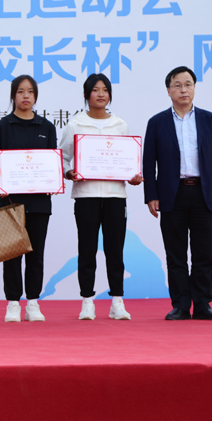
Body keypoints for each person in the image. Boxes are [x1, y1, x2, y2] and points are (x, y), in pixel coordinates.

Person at [143, 66, 212, 321]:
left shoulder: (210, 120)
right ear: (168, 90)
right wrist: (151, 195)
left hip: (205, 193)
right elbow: (149, 163)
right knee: (176, 254)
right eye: (178, 85)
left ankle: (202, 304)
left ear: (194, 88)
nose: (183, 90)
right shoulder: (157, 122)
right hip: (172, 195)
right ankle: (180, 304)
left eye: (188, 84)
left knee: (204, 253)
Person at [59, 73, 143, 321]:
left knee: (115, 249)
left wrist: (133, 175)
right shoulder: (75, 125)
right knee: (86, 250)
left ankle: (117, 301)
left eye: (105, 90)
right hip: (86, 195)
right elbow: (62, 157)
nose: (101, 94)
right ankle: (87, 301)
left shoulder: (120, 125)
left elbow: (129, 160)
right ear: (87, 95)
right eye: (95, 90)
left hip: (116, 196)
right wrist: (69, 172)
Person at [0, 75, 57, 323]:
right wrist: (0, 183)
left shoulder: (46, 127)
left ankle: (33, 302)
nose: (26, 96)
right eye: (20, 91)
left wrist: (52, 180)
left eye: (30, 91)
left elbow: (52, 163)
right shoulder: (2, 127)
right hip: (10, 201)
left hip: (39, 203)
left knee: (36, 255)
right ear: (13, 95)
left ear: (35, 96)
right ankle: (13, 303)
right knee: (12, 255)